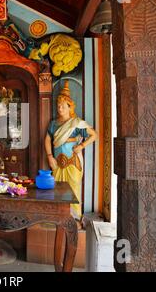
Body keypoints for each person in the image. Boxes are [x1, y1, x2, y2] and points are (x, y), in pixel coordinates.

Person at [44, 81, 97, 220]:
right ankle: (57, 217)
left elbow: (94, 135)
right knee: (56, 189)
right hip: (57, 162)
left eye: (63, 106)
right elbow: (48, 139)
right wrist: (50, 156)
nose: (60, 108)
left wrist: (81, 146)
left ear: (70, 107)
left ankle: (74, 219)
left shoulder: (76, 123)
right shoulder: (53, 124)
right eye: (58, 105)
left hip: (72, 162)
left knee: (73, 190)